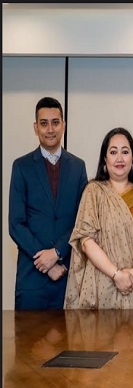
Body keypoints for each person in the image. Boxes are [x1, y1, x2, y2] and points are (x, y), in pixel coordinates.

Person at [64, 127, 133, 309]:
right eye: (113, 152)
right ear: (105, 160)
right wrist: (116, 274)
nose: (119, 158)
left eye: (125, 152)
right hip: (100, 286)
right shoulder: (93, 191)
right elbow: (86, 242)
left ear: (132, 159)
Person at [8, 97, 88, 310]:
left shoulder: (78, 167)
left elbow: (83, 221)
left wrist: (57, 252)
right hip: (31, 279)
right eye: (44, 123)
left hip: (68, 278)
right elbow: (16, 224)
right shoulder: (21, 166)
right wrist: (45, 261)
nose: (50, 129)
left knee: (70, 334)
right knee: (28, 334)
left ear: (64, 125)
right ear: (36, 128)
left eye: (55, 122)